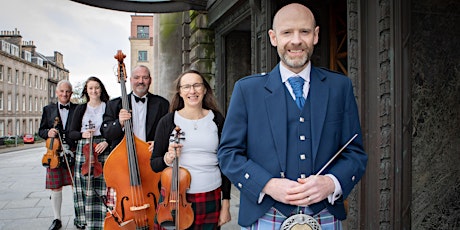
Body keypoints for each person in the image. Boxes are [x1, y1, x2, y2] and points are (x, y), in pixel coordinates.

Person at [217, 3, 368, 230]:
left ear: (315, 35)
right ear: (273, 37)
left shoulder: (339, 87)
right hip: (265, 215)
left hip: (324, 214)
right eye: (287, 32)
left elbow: (355, 152)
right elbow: (228, 154)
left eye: (304, 32)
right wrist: (266, 184)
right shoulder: (247, 91)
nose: (296, 40)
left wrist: (330, 183)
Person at [150, 69, 231, 229]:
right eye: (186, 87)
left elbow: (225, 163)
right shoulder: (168, 121)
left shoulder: (217, 119)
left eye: (196, 85)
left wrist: (226, 203)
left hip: (210, 195)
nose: (192, 91)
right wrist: (169, 157)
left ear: (205, 89)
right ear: (180, 92)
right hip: (173, 201)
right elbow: (155, 164)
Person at [101, 65, 169, 212]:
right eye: (137, 77)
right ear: (130, 80)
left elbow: (169, 132)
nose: (141, 81)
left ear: (150, 80)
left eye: (145, 77)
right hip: (123, 163)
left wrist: (159, 143)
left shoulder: (162, 104)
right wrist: (118, 122)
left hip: (151, 160)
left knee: (155, 201)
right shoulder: (114, 104)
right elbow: (106, 132)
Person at [69, 76, 111, 229]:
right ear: (86, 90)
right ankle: (85, 220)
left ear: (101, 89)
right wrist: (82, 134)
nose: (94, 91)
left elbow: (116, 130)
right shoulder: (81, 108)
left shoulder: (108, 106)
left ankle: (105, 219)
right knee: (85, 185)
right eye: (91, 88)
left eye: (97, 87)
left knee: (104, 185)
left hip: (103, 148)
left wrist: (107, 141)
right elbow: (71, 133)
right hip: (85, 148)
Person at [39, 80, 78, 230]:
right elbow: (41, 131)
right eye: (62, 91)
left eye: (67, 91)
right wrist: (47, 132)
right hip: (54, 154)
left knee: (77, 187)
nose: (64, 94)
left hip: (72, 153)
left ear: (71, 93)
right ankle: (57, 219)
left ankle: (78, 216)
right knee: (55, 187)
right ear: (57, 93)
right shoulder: (48, 109)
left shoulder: (78, 109)